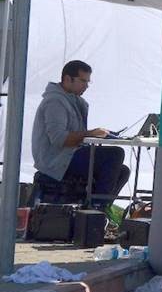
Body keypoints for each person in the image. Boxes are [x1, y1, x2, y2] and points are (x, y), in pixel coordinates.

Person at [31, 60, 130, 209]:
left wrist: (97, 134)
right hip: (57, 160)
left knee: (122, 171)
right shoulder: (55, 102)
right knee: (115, 154)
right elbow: (59, 139)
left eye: (88, 82)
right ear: (67, 79)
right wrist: (91, 133)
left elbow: (76, 135)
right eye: (83, 81)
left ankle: (99, 208)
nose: (86, 86)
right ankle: (95, 208)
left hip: (69, 155)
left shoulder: (74, 101)